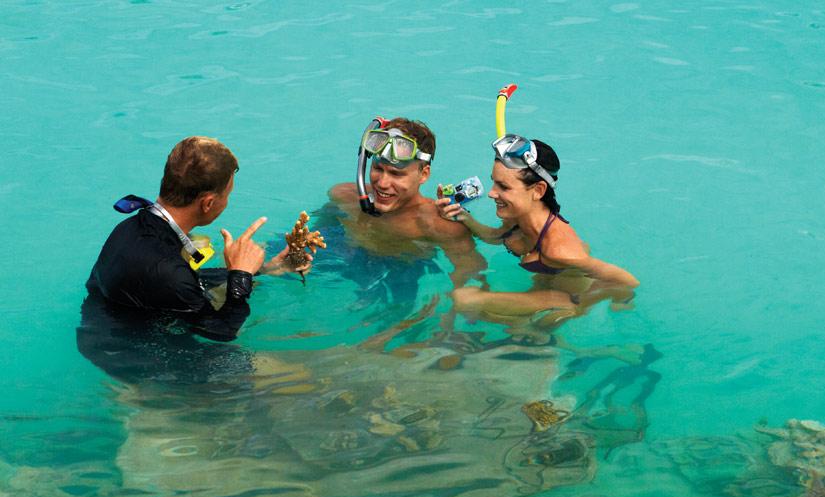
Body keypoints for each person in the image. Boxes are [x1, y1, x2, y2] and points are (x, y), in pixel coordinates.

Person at [78, 136, 308, 381]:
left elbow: (179, 285)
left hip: (102, 331)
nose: (227, 201)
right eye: (227, 194)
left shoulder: (133, 226)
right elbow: (224, 331)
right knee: (296, 377)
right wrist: (241, 277)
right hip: (132, 359)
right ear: (208, 203)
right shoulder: (169, 272)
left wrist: (265, 269)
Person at [434, 135, 638, 332]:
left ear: (538, 191)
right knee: (509, 325)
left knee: (464, 299)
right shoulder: (517, 217)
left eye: (503, 186)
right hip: (544, 286)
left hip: (567, 298)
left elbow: (628, 281)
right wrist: (461, 216)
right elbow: (495, 237)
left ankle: (563, 308)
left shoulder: (561, 250)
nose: (491, 193)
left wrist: (587, 304)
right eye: (494, 182)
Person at [325, 118, 485, 293]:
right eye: (378, 169)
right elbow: (317, 236)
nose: (383, 183)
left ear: (423, 175)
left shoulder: (439, 226)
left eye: (396, 174)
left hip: (401, 272)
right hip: (347, 260)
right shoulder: (344, 197)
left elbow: (473, 272)